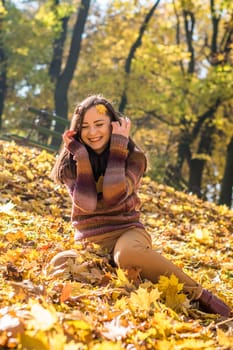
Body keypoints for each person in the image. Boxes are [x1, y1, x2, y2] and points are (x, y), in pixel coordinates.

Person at [50, 94, 231, 317]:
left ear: (113, 125)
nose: (92, 132)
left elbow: (114, 196)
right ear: (77, 130)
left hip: (127, 233)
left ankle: (202, 296)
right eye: (85, 126)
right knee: (60, 263)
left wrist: (118, 148)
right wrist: (83, 160)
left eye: (99, 124)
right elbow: (86, 204)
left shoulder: (134, 158)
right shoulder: (71, 163)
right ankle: (122, 276)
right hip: (91, 244)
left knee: (127, 254)